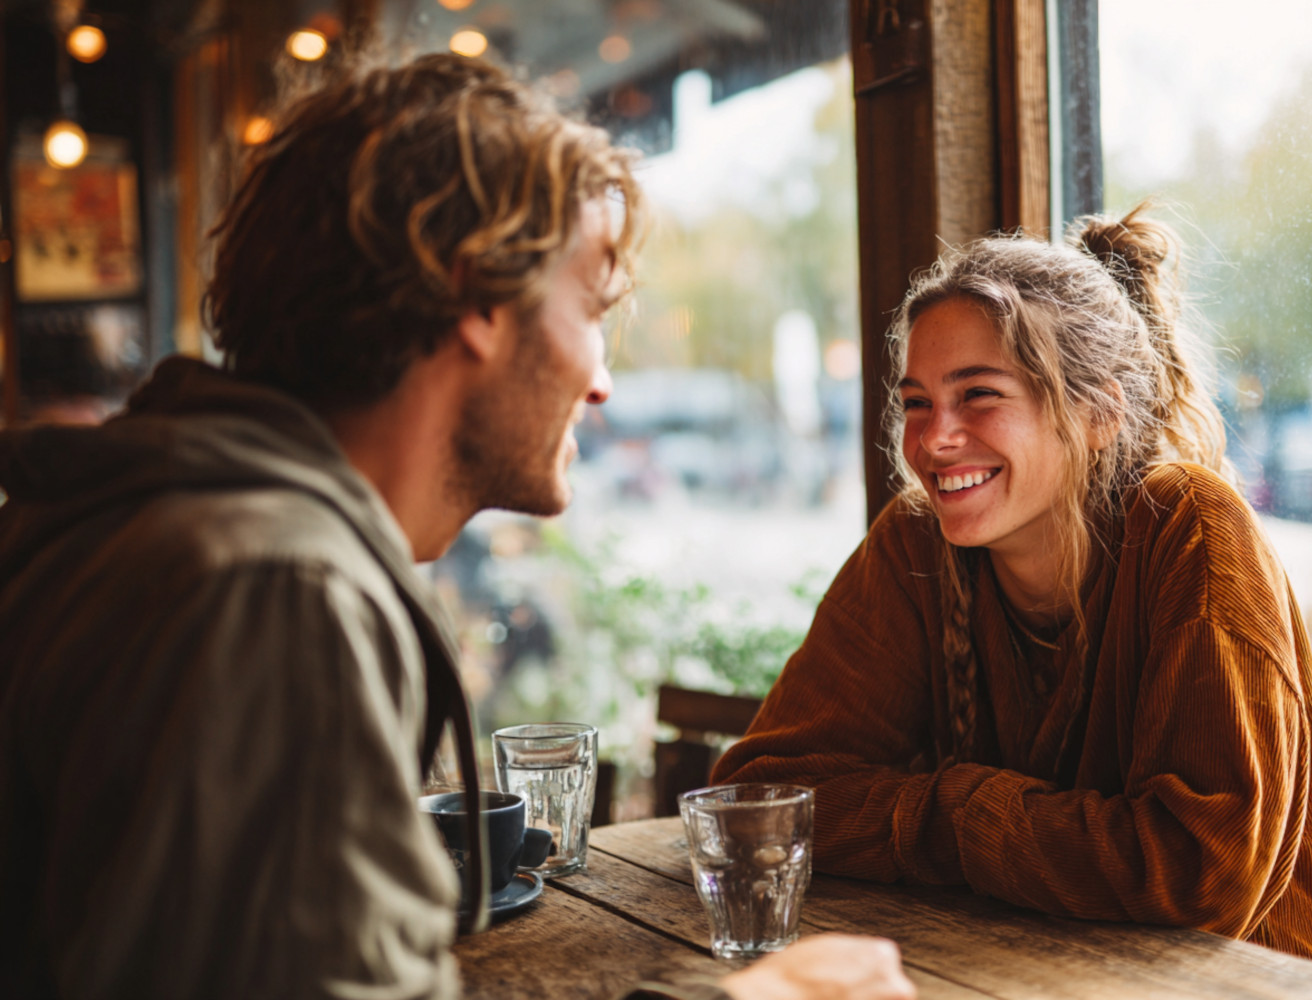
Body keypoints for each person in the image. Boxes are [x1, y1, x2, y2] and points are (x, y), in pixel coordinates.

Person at [0, 53, 914, 1000]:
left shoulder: (130, 524)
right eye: (592, 311)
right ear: (476, 293)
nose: (601, 380)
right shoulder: (272, 590)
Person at [712, 207, 1312, 976]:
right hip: (1018, 976)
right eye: (918, 402)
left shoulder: (1192, 528)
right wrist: (955, 819)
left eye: (980, 395)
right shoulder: (916, 542)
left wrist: (957, 814)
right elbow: (759, 803)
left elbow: (1201, 875)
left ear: (1097, 414)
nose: (933, 440)